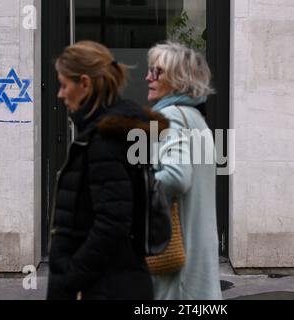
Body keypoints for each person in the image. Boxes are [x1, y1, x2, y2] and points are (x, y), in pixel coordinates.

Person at [46, 40, 168, 300]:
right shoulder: (109, 132)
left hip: (108, 287)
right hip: (116, 281)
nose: (60, 94)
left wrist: (71, 276)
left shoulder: (104, 140)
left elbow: (113, 223)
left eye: (64, 85)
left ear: (85, 84)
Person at [145, 41, 222, 300]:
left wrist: (131, 187)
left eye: (157, 72)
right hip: (197, 262)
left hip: (177, 270)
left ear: (177, 79)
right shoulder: (195, 118)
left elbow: (177, 177)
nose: (148, 77)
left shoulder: (171, 116)